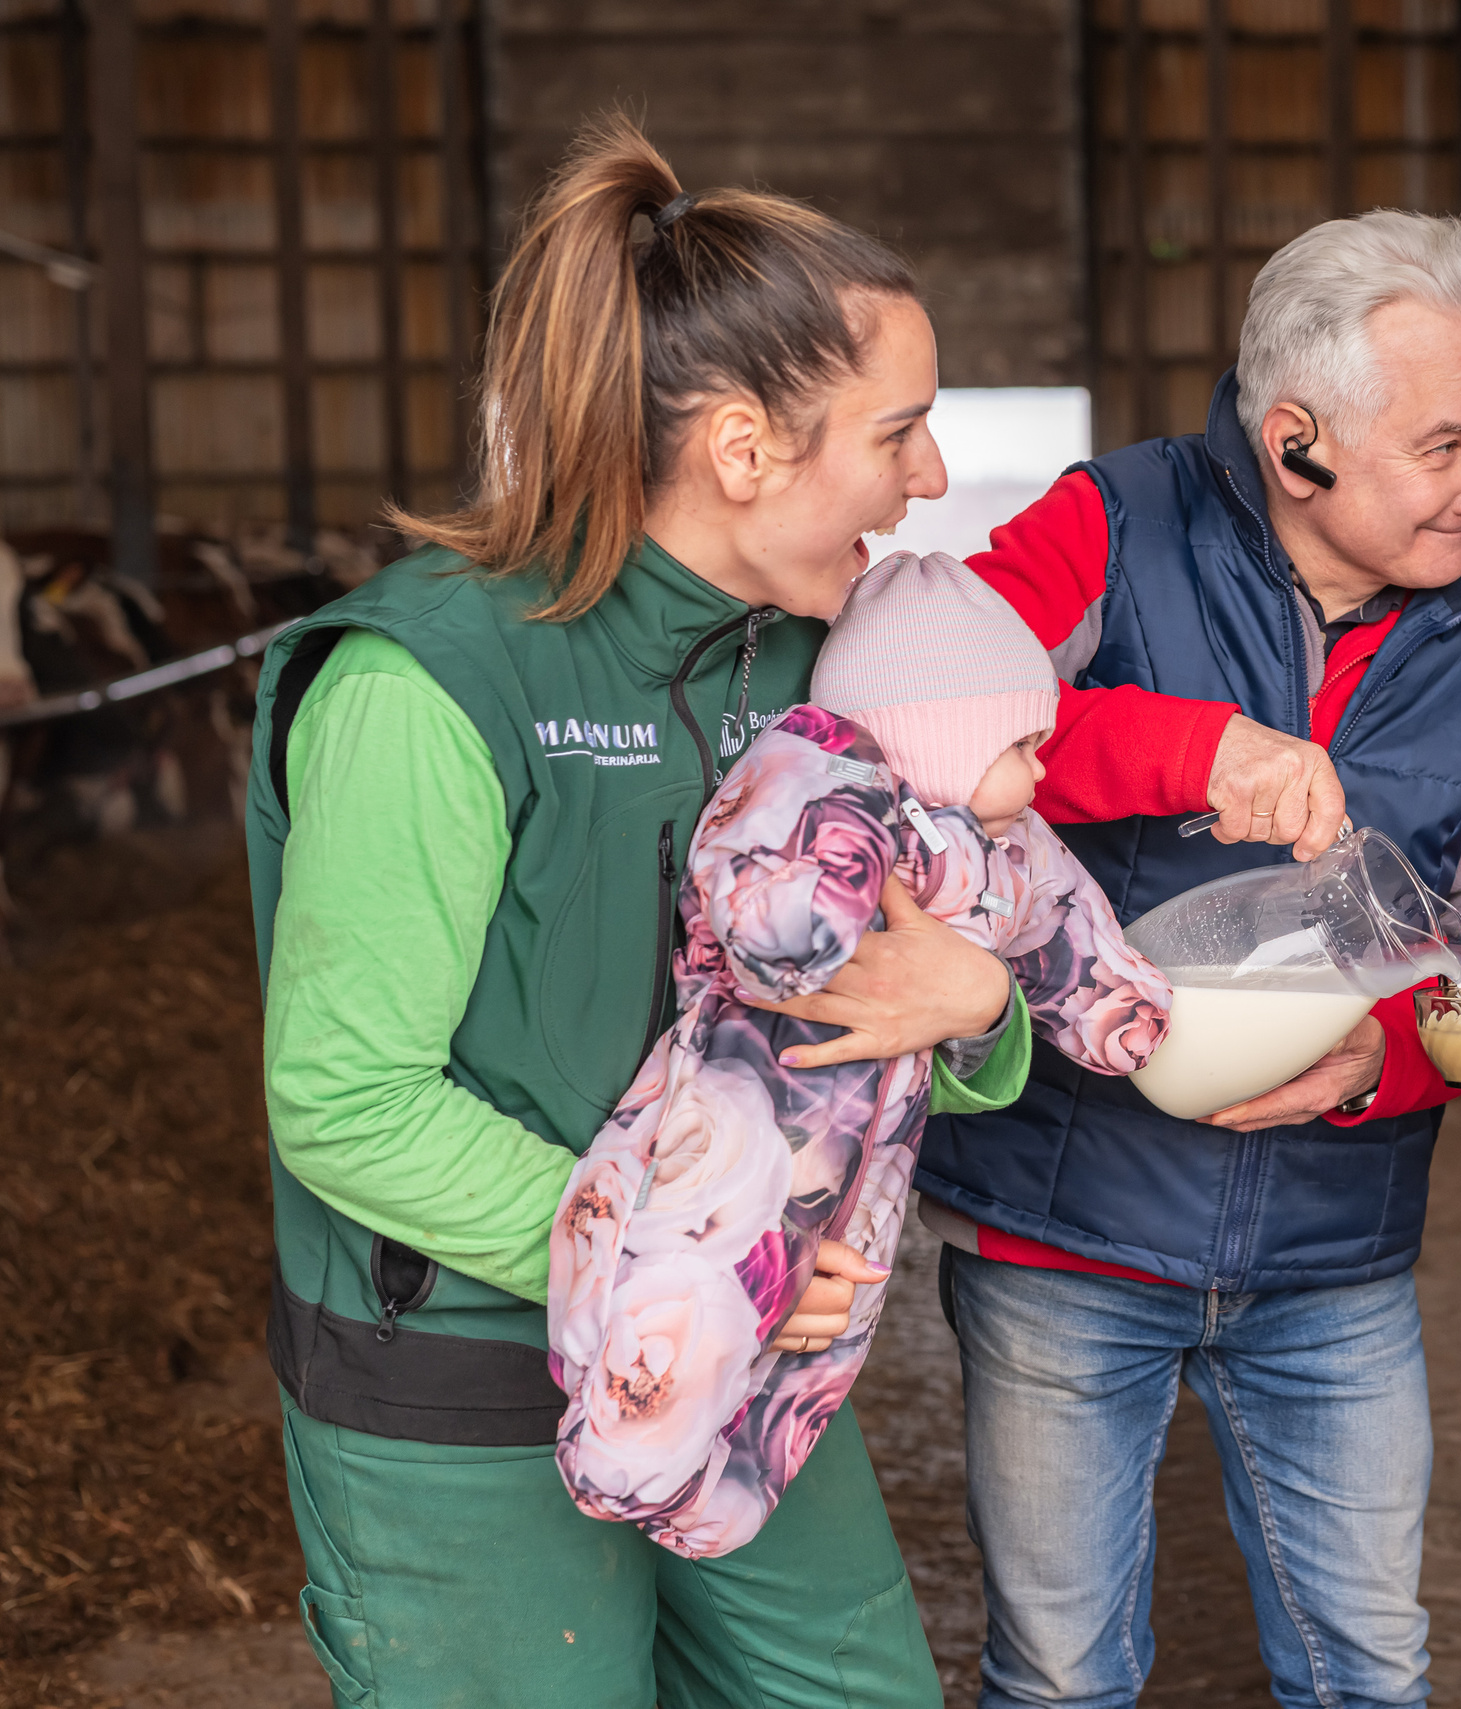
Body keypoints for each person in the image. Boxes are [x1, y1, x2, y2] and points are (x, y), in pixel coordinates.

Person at [247, 117, 1024, 1709]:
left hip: (748, 1363)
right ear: (744, 452)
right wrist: (700, 1256)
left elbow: (911, 985)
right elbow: (345, 1099)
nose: (931, 477)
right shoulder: (435, 680)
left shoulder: (825, 673)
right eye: (902, 431)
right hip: (461, 1376)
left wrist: (983, 1011)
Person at [917, 210, 1461, 1708]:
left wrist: (1385, 1063)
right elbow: (923, 709)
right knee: (1064, 1673)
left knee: (1370, 1668)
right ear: (1300, 444)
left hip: (1335, 1252)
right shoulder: (1112, 526)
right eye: (1447, 445)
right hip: (1064, 1229)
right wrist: (1187, 745)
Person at [549, 550, 1172, 1559]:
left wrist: (1127, 1011)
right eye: (1020, 741)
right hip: (730, 1123)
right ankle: (620, 1458)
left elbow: (1070, 930)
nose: (1041, 767)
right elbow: (761, 892)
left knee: (824, 1341)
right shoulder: (817, 780)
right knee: (686, 1282)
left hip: (871, 1160)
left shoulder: (1015, 850)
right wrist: (824, 899)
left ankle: (720, 1497)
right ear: (937, 740)